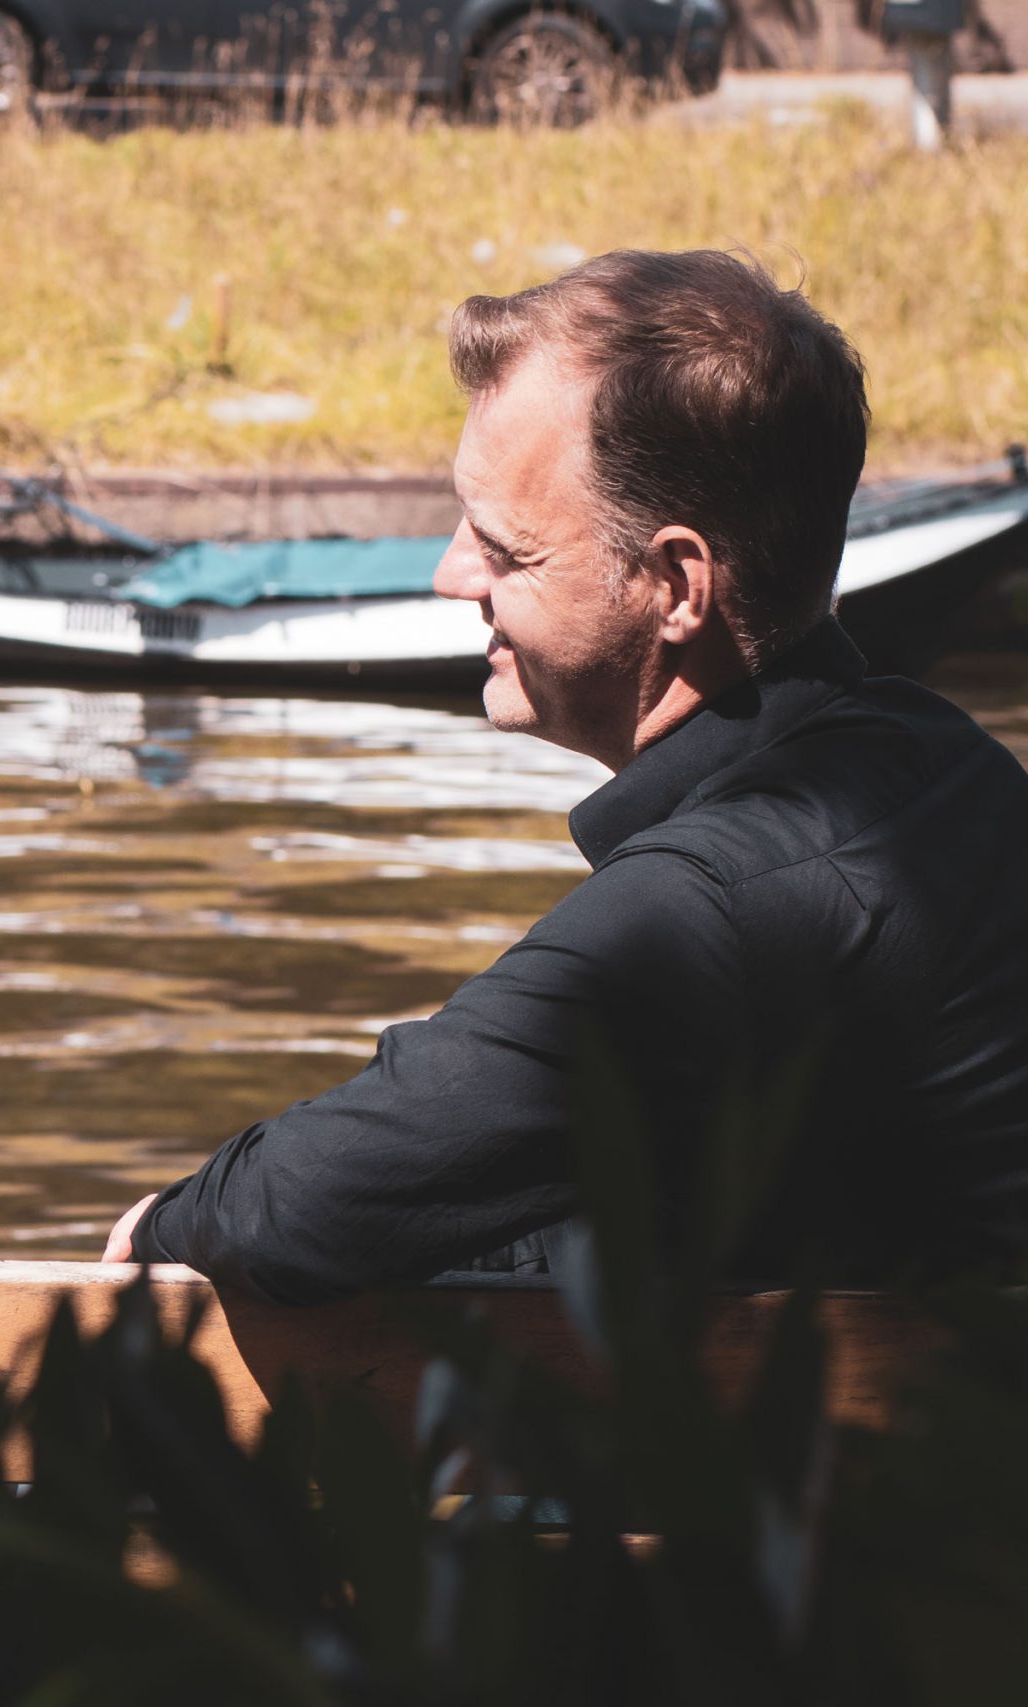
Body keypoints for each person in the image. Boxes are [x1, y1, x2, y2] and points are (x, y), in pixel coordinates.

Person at [102, 249, 1028, 1301]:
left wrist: (167, 1223)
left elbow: (297, 1209)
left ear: (674, 586)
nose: (451, 576)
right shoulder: (955, 768)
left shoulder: (709, 909)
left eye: (504, 549)